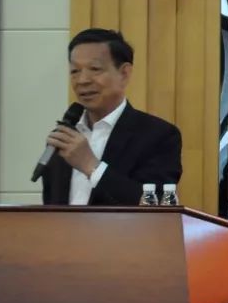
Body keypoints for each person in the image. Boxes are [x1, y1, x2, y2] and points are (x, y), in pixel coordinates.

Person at [41, 28, 182, 205]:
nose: (82, 80)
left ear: (124, 73)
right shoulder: (64, 139)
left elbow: (156, 204)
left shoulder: (158, 135)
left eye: (94, 69)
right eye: (75, 71)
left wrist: (91, 166)